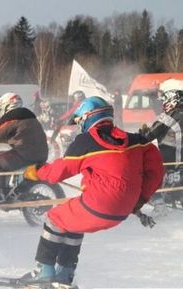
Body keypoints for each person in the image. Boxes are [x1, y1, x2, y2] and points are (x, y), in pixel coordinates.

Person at [21, 96, 164, 285]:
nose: (80, 125)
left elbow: (58, 172)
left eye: (80, 120)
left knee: (55, 217)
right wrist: (140, 199)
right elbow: (156, 172)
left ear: (88, 117)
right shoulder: (138, 141)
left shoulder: (85, 142)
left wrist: (37, 172)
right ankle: (64, 274)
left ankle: (44, 271)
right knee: (73, 222)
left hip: (98, 206)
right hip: (121, 212)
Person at [140, 89, 183, 214]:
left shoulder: (168, 118)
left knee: (142, 171)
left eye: (165, 102)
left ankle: (159, 203)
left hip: (170, 166)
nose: (163, 105)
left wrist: (139, 134)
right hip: (180, 169)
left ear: (172, 102)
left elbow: (146, 137)